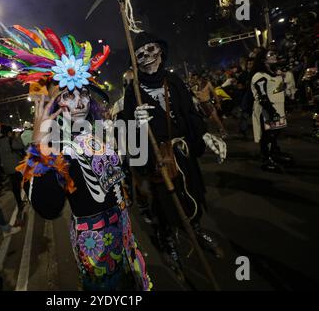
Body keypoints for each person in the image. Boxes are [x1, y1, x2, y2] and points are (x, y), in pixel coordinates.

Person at [0, 24, 152, 291]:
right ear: (53, 104)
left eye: (83, 93)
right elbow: (48, 208)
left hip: (125, 229)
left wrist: (139, 128)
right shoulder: (56, 146)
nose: (80, 102)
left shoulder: (100, 133)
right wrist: (39, 145)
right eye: (68, 96)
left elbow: (133, 165)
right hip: (94, 242)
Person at [120, 32, 227, 277]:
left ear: (160, 51)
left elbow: (190, 114)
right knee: (164, 202)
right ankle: (168, 240)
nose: (146, 56)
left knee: (191, 192)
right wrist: (136, 123)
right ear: (135, 61)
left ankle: (195, 228)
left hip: (181, 152)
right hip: (157, 158)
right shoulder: (133, 91)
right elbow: (126, 129)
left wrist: (204, 136)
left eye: (151, 49)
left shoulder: (174, 81)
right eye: (140, 53)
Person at [251, 48, 293, 172]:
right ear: (263, 59)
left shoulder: (274, 73)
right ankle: (266, 159)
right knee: (267, 136)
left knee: (274, 134)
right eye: (271, 54)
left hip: (277, 108)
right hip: (266, 111)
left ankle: (275, 154)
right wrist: (272, 111)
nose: (274, 56)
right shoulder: (259, 76)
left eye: (275, 53)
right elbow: (263, 97)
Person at [0, 125, 27, 226]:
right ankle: (30, 198)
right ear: (9, 132)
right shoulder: (10, 140)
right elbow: (21, 146)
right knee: (24, 182)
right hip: (16, 166)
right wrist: (16, 137)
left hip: (7, 168)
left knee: (15, 186)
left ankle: (19, 202)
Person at [191, 73, 227, 137]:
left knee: (216, 118)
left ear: (199, 78)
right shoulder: (194, 87)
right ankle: (205, 134)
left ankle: (223, 132)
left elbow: (214, 93)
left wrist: (218, 102)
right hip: (201, 105)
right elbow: (194, 97)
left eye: (195, 78)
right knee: (205, 120)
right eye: (193, 79)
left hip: (208, 103)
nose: (194, 80)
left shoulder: (207, 84)